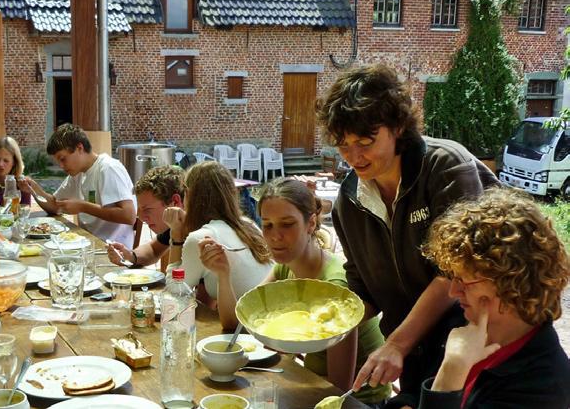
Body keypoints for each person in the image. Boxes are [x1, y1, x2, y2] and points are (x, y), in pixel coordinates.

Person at [316, 64, 497, 408]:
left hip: (476, 346)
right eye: (343, 145)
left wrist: (397, 343)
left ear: (397, 126)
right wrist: (322, 323)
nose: (354, 157)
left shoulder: (445, 167)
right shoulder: (348, 203)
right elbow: (361, 286)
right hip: (416, 353)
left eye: (365, 142)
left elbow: (457, 270)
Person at [200, 178, 391, 406]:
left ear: (310, 224)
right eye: (268, 225)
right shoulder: (285, 266)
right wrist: (223, 274)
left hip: (358, 402)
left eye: (287, 224)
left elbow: (337, 388)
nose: (275, 236)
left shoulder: (335, 287)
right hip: (309, 384)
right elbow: (238, 323)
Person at [419, 188, 570, 408]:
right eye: (453, 277)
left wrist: (453, 369)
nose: (453, 292)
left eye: (464, 281)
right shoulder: (461, 322)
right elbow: (414, 392)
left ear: (511, 283)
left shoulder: (546, 386)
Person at [163, 161, 273, 311]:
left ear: (188, 195)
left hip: (244, 327)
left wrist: (176, 234)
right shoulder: (248, 224)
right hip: (269, 317)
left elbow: (175, 291)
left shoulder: (201, 238)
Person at [20, 124, 137, 248]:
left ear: (79, 148)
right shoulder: (77, 174)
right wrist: (33, 189)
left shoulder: (108, 168)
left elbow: (129, 216)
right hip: (87, 243)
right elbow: (54, 206)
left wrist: (82, 206)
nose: (61, 166)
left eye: (63, 159)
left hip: (113, 250)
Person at [106, 165, 185, 270]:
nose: (142, 218)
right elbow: (153, 250)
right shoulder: (175, 223)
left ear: (174, 202)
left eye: (147, 209)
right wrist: (130, 256)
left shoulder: (199, 230)